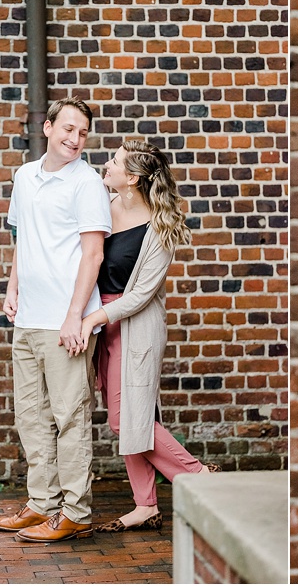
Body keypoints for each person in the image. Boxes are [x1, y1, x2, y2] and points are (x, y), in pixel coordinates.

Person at [0, 97, 111, 542]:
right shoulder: (24, 177)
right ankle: (41, 505)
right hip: (29, 319)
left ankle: (75, 511)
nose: (75, 139)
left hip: (67, 322)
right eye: (68, 129)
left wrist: (76, 317)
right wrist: (12, 287)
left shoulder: (87, 183)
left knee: (70, 416)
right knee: (31, 417)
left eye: (82, 133)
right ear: (48, 127)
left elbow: (93, 253)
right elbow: (23, 240)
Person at [77, 140, 216, 534]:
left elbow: (140, 295)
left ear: (133, 178)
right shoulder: (105, 204)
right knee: (128, 417)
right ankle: (144, 505)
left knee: (128, 421)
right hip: (103, 322)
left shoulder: (160, 227)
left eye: (116, 161)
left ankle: (199, 475)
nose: (107, 163)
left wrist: (94, 319)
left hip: (134, 325)